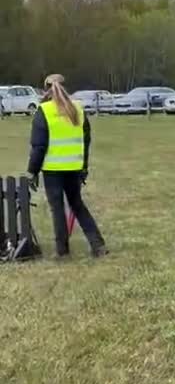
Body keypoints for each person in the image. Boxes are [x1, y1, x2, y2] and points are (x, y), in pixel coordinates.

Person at [27, 73, 107, 258]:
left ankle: (62, 251)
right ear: (66, 87)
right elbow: (85, 141)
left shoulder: (44, 111)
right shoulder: (78, 109)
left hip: (53, 170)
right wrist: (84, 167)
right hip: (74, 167)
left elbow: (39, 146)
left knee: (57, 209)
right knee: (77, 205)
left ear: (46, 89)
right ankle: (98, 245)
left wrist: (32, 171)